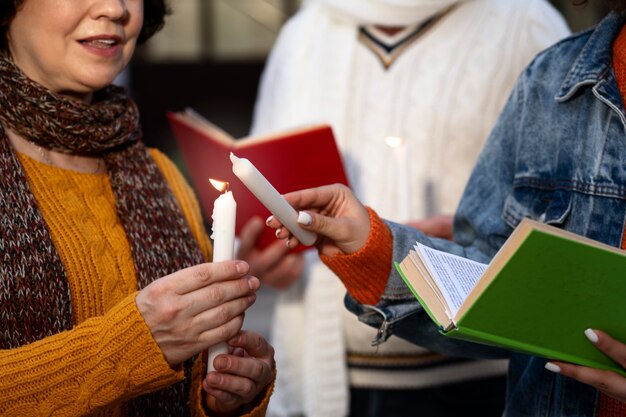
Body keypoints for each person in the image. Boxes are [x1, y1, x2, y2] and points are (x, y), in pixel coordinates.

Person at [265, 2, 626, 415]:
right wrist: (373, 249)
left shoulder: (523, 22)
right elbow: (503, 284)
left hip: (465, 389)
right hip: (335, 372)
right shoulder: (552, 77)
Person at [0, 0, 275, 416]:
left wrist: (225, 397)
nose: (114, 7)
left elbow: (192, 383)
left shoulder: (161, 174)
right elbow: (141, 344)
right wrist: (131, 347)